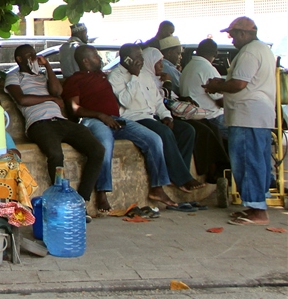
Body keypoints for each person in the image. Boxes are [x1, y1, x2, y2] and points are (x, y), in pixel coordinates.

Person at [62, 45, 177, 211]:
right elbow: (74, 108)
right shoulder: (74, 80)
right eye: (95, 56)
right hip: (93, 120)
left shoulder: (102, 76)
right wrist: (101, 115)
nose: (100, 59)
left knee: (154, 139)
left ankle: (157, 188)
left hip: (116, 120)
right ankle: (102, 192)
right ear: (85, 60)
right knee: (105, 144)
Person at [5, 45, 104, 204]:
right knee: (56, 155)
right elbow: (22, 100)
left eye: (35, 54)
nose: (33, 57)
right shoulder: (14, 76)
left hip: (60, 121)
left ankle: (82, 200)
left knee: (97, 150)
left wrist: (48, 67)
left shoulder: (42, 75)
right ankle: (60, 199)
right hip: (39, 123)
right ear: (19, 59)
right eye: (29, 54)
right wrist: (50, 99)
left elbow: (57, 92)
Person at [204, 17, 276, 227]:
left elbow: (239, 84)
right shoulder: (262, 50)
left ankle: (258, 211)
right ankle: (256, 205)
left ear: (244, 34)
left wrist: (217, 86)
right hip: (257, 115)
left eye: (233, 34)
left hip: (248, 115)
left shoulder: (249, 52)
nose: (231, 39)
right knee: (258, 161)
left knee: (247, 160)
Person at [108, 44, 206, 192]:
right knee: (164, 132)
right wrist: (133, 76)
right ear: (127, 59)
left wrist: (166, 116)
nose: (141, 60)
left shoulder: (145, 75)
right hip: (134, 118)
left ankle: (179, 174)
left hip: (151, 116)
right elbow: (126, 102)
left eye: (141, 56)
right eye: (137, 57)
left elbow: (158, 101)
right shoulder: (115, 76)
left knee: (187, 130)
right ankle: (183, 179)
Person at [180, 39, 226, 137]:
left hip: (193, 116)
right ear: (216, 53)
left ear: (197, 50)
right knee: (243, 133)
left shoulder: (189, 66)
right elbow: (221, 102)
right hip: (211, 117)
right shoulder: (207, 69)